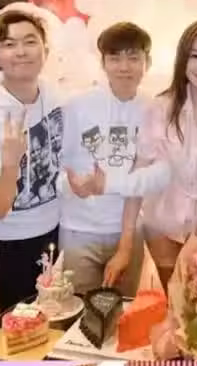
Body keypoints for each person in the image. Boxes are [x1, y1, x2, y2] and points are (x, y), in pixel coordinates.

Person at [74, 19, 197, 289]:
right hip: (161, 225)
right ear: (182, 58)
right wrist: (125, 246)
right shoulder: (160, 108)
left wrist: (196, 241)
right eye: (195, 56)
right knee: (172, 298)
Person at [0, 9, 64, 311]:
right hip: (9, 244)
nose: (21, 51)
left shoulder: (53, 95)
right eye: (9, 44)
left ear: (45, 51)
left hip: (55, 231)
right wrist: (10, 165)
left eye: (30, 41)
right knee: (18, 327)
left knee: (55, 318)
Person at [60, 22, 151, 296]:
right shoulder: (77, 106)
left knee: (123, 310)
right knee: (77, 310)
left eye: (133, 58)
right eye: (115, 58)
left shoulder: (155, 110)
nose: (124, 67)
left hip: (130, 232)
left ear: (147, 62)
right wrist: (73, 185)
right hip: (79, 231)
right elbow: (59, 164)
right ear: (103, 63)